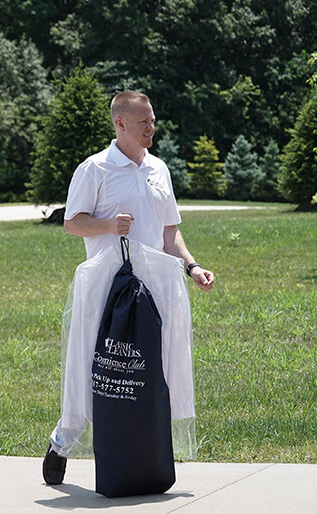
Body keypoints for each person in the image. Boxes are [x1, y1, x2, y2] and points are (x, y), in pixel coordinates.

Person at [42, 90, 215, 486]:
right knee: (94, 365)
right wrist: (107, 225)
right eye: (143, 122)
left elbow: (169, 233)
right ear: (120, 124)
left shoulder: (159, 169)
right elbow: (72, 222)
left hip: (155, 284)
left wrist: (193, 267)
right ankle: (62, 442)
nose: (151, 128)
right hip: (106, 284)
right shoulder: (95, 169)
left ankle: (148, 450)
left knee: (156, 367)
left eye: (152, 120)